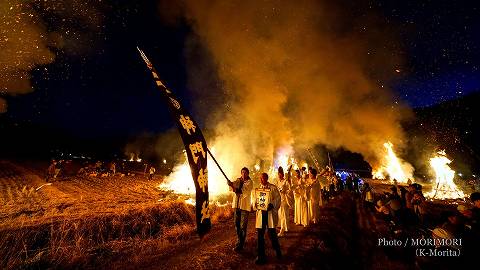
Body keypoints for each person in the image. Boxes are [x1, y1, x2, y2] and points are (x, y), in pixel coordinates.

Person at [254, 172, 281, 264]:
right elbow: (254, 201)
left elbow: (278, 199)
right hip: (261, 215)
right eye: (260, 178)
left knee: (272, 235)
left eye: (263, 178)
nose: (261, 180)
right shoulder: (258, 189)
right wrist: (256, 204)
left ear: (266, 178)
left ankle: (278, 252)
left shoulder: (273, 188)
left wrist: (272, 204)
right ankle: (261, 256)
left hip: (270, 215)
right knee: (260, 236)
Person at [228, 167, 253, 252]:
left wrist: (233, 186)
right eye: (242, 172)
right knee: (236, 224)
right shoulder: (238, 180)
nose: (243, 174)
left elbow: (242, 191)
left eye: (245, 172)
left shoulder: (249, 182)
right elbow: (232, 188)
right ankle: (240, 240)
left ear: (248, 174)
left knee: (243, 226)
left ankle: (240, 244)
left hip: (244, 207)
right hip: (237, 206)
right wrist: (230, 184)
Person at [276, 167, 290, 237]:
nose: (279, 175)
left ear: (283, 174)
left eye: (280, 174)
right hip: (279, 199)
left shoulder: (286, 181)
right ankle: (284, 227)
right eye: (278, 174)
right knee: (280, 214)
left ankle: (282, 230)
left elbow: (289, 190)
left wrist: (284, 191)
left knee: (284, 214)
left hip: (284, 199)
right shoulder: (277, 181)